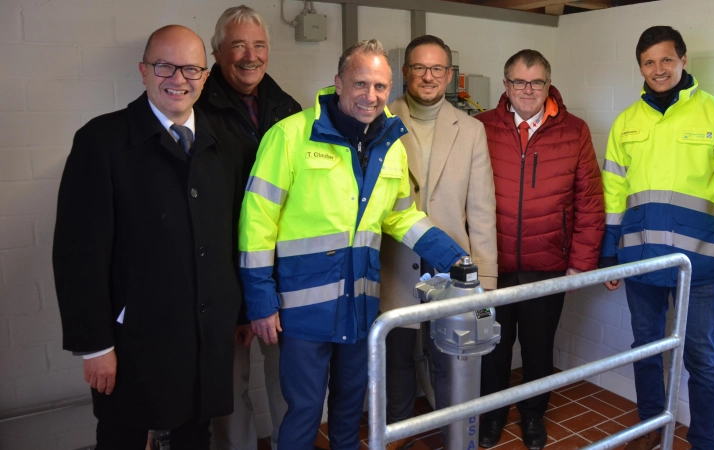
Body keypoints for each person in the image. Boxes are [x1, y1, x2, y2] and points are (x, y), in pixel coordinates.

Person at [238, 39, 469, 450]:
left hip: (361, 305)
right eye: (360, 84)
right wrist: (260, 301)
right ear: (338, 83)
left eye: (380, 87)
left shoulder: (390, 145)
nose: (371, 96)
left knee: (350, 409)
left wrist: (454, 258)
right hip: (301, 310)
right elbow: (257, 224)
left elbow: (400, 215)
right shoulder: (290, 136)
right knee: (305, 411)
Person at [53, 25, 242, 450]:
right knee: (123, 434)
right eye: (165, 66)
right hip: (133, 338)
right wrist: (94, 345)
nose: (179, 79)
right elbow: (77, 254)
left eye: (191, 68)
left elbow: (230, 239)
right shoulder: (101, 141)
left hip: (204, 333)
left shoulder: (222, 145)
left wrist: (240, 312)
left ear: (206, 75)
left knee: (195, 433)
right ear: (143, 71)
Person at [601, 26, 714, 450]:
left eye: (666, 60)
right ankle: (650, 428)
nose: (659, 69)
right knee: (645, 352)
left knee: (702, 361)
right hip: (641, 262)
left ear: (683, 61)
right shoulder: (626, 122)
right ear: (640, 67)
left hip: (701, 268)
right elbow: (613, 194)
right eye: (649, 62)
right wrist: (609, 255)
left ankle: (704, 441)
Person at [475, 49, 605, 450]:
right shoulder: (479, 126)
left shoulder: (575, 130)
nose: (527, 90)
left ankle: (533, 416)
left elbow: (590, 202)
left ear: (548, 84)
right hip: (491, 265)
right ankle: (493, 416)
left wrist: (580, 264)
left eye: (535, 82)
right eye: (518, 81)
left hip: (546, 266)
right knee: (492, 351)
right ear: (505, 84)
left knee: (536, 350)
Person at [380, 34, 497, 450]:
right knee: (395, 361)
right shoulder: (379, 117)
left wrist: (484, 284)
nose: (428, 77)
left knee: (451, 362)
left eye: (437, 69)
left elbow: (481, 213)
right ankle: (395, 436)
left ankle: (455, 438)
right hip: (392, 265)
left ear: (450, 75)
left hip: (452, 268)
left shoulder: (470, 129)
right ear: (405, 72)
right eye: (419, 68)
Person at [199, 6, 301, 450]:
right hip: (222, 277)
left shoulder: (291, 110)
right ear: (217, 51)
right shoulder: (196, 109)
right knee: (228, 392)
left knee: (289, 383)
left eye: (258, 45)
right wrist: (241, 304)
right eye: (238, 45)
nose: (249, 55)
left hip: (283, 276)